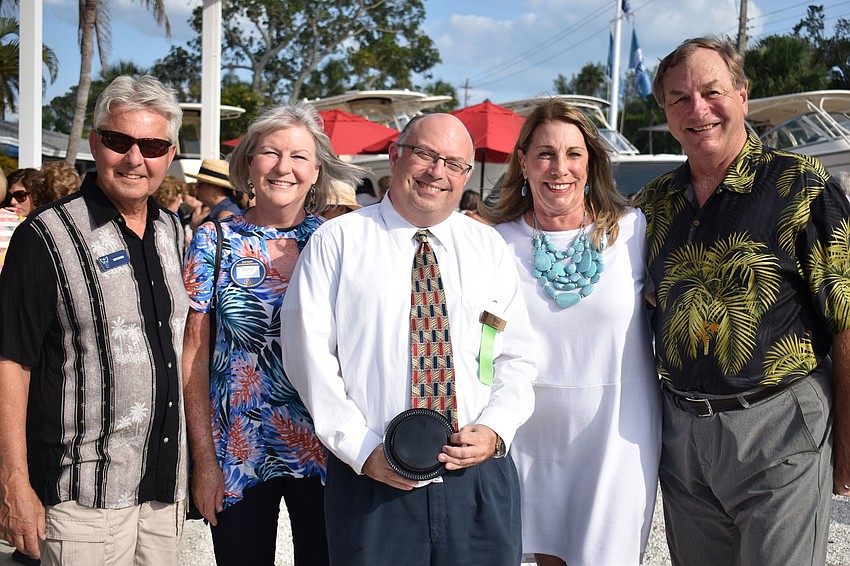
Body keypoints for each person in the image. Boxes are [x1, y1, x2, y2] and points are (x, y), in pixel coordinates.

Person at [280, 113, 537, 565]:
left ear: (466, 175)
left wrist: (496, 429)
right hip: (374, 479)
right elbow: (308, 358)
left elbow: (515, 357)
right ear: (395, 155)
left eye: (454, 163)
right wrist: (362, 450)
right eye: (425, 154)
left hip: (476, 478)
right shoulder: (337, 242)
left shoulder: (488, 248)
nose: (437, 172)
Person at [638, 35, 850, 566]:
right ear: (666, 111)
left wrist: (848, 443)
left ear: (742, 95)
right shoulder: (654, 204)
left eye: (712, 91)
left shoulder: (802, 185)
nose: (698, 109)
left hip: (780, 430)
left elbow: (847, 320)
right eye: (679, 98)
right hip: (682, 439)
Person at [0, 74, 188, 565]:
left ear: (169, 154)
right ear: (94, 142)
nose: (134, 158)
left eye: (152, 146)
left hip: (163, 491)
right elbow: (10, 361)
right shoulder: (45, 236)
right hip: (81, 494)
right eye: (118, 141)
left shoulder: (174, 233)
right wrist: (13, 481)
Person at [181, 103, 364, 566]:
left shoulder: (337, 242)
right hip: (237, 449)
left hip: (326, 449)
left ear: (316, 170)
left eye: (299, 156)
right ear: (249, 163)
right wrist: (204, 460)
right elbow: (194, 356)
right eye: (270, 153)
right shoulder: (214, 240)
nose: (284, 167)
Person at [480, 99, 661, 566]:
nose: (559, 168)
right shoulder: (494, 242)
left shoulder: (632, 230)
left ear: (591, 163)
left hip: (617, 433)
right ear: (523, 162)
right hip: (531, 435)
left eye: (573, 153)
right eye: (545, 154)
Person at [185, 159, 245, 229]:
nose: (197, 187)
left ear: (216, 188)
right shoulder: (222, 210)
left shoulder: (225, 215)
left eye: (200, 183)